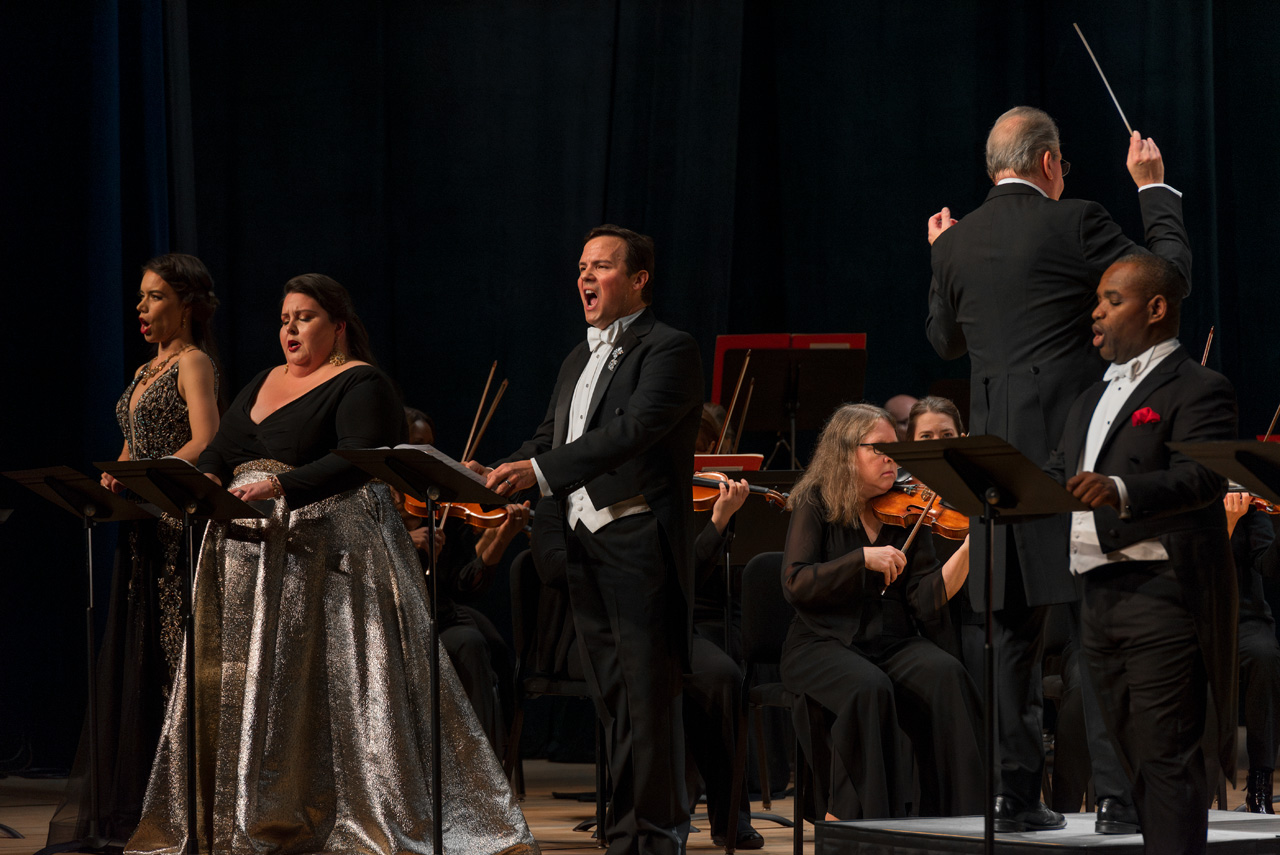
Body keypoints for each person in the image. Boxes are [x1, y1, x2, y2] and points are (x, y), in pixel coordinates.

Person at [124, 274, 535, 855]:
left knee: (325, 689)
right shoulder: (261, 382)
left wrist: (280, 485)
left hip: (322, 558)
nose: (290, 328)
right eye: (285, 318)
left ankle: (335, 812)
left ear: (338, 325)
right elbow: (222, 448)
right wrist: (205, 477)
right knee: (259, 687)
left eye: (306, 317)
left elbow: (355, 461)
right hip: (247, 559)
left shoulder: (360, 382)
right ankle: (255, 810)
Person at [925, 105, 1191, 832]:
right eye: (1064, 164)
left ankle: (1013, 793)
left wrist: (941, 257)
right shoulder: (1074, 221)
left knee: (1009, 625)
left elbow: (945, 341)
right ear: (1049, 163)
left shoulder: (953, 242)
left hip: (993, 458)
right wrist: (1154, 190)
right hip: (1077, 450)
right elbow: (1165, 285)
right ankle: (1113, 796)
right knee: (1094, 622)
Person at [475, 225, 703, 855]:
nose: (585, 278)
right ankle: (624, 833)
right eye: (580, 267)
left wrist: (540, 474)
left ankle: (654, 837)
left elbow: (631, 432)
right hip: (583, 543)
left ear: (639, 279)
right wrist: (494, 473)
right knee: (613, 700)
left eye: (600, 266)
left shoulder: (670, 349)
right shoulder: (578, 357)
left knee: (647, 700)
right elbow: (549, 438)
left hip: (636, 542)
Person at [1045, 254, 1236, 855]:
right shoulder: (1088, 399)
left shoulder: (1200, 387)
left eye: (1111, 299)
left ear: (1156, 308)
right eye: (1097, 300)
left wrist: (1123, 490)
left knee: (1167, 759)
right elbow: (1058, 476)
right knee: (1129, 761)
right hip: (1097, 596)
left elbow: (1203, 478)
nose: (1095, 312)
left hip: (1162, 595)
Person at [47, 253, 220, 847]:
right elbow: (130, 442)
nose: (141, 308)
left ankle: (185, 802)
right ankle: (136, 802)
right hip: (140, 524)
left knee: (172, 653)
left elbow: (206, 438)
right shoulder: (148, 369)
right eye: (141, 297)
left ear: (186, 305)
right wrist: (116, 475)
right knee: (136, 652)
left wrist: (153, 475)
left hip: (174, 523)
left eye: (153, 297)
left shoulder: (193, 363)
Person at [779, 403, 980, 820]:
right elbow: (796, 583)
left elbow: (923, 601)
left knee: (947, 675)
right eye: (880, 449)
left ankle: (957, 821)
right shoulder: (815, 501)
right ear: (846, 452)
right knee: (868, 688)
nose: (894, 458)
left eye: (896, 448)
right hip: (822, 642)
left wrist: (968, 551)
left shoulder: (905, 509)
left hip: (890, 640)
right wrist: (860, 560)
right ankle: (861, 821)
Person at [394, 406, 529, 755]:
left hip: (439, 617)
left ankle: (485, 765)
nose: (427, 455)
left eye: (431, 447)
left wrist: (500, 540)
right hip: (390, 623)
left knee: (478, 643)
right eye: (416, 445)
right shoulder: (375, 503)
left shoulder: (443, 505)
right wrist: (405, 544)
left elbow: (463, 587)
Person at [903, 396, 980, 682]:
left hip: (973, 614)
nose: (937, 443)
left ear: (962, 438)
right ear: (910, 443)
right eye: (926, 437)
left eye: (947, 435)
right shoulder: (898, 498)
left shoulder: (978, 489)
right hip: (921, 622)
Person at [1223, 492, 1280, 813]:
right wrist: (1228, 523)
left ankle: (1260, 785)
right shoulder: (1179, 494)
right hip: (1188, 616)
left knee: (1264, 656)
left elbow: (1268, 565)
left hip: (1244, 617)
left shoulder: (1244, 495)